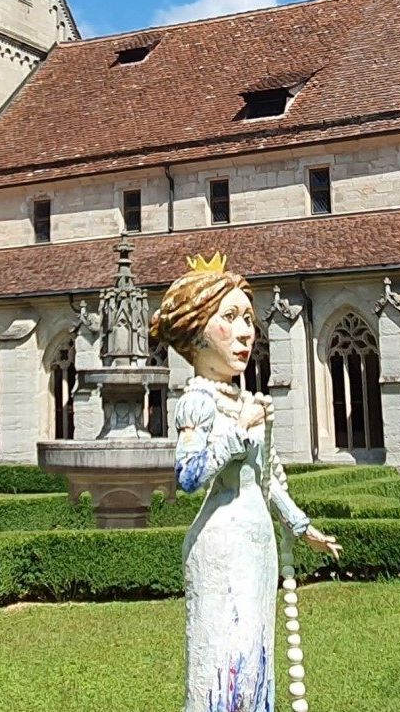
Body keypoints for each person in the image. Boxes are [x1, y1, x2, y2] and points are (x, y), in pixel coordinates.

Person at [149, 252, 340, 712]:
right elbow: (189, 476)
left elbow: (267, 479)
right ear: (196, 333)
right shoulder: (197, 401)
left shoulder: (243, 399)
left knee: (256, 662)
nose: (246, 332)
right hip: (220, 548)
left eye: (248, 319)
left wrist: (300, 525)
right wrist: (239, 430)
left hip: (258, 549)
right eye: (229, 318)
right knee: (222, 664)